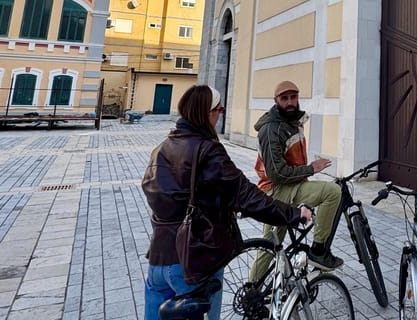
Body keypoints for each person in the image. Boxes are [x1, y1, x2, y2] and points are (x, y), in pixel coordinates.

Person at [141, 85, 313, 320]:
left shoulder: (163, 147)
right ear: (206, 112)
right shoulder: (208, 150)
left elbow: (153, 190)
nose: (220, 115)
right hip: (193, 263)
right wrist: (294, 214)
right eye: (219, 109)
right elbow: (247, 196)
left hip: (158, 261)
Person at [251, 80, 344, 272]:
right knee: (332, 192)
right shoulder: (271, 129)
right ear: (275, 101)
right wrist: (311, 169)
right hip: (276, 190)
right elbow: (277, 174)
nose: (290, 102)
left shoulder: (292, 122)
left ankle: (253, 291)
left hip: (289, 187)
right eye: (284, 98)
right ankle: (319, 250)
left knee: (271, 244)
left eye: (293, 97)